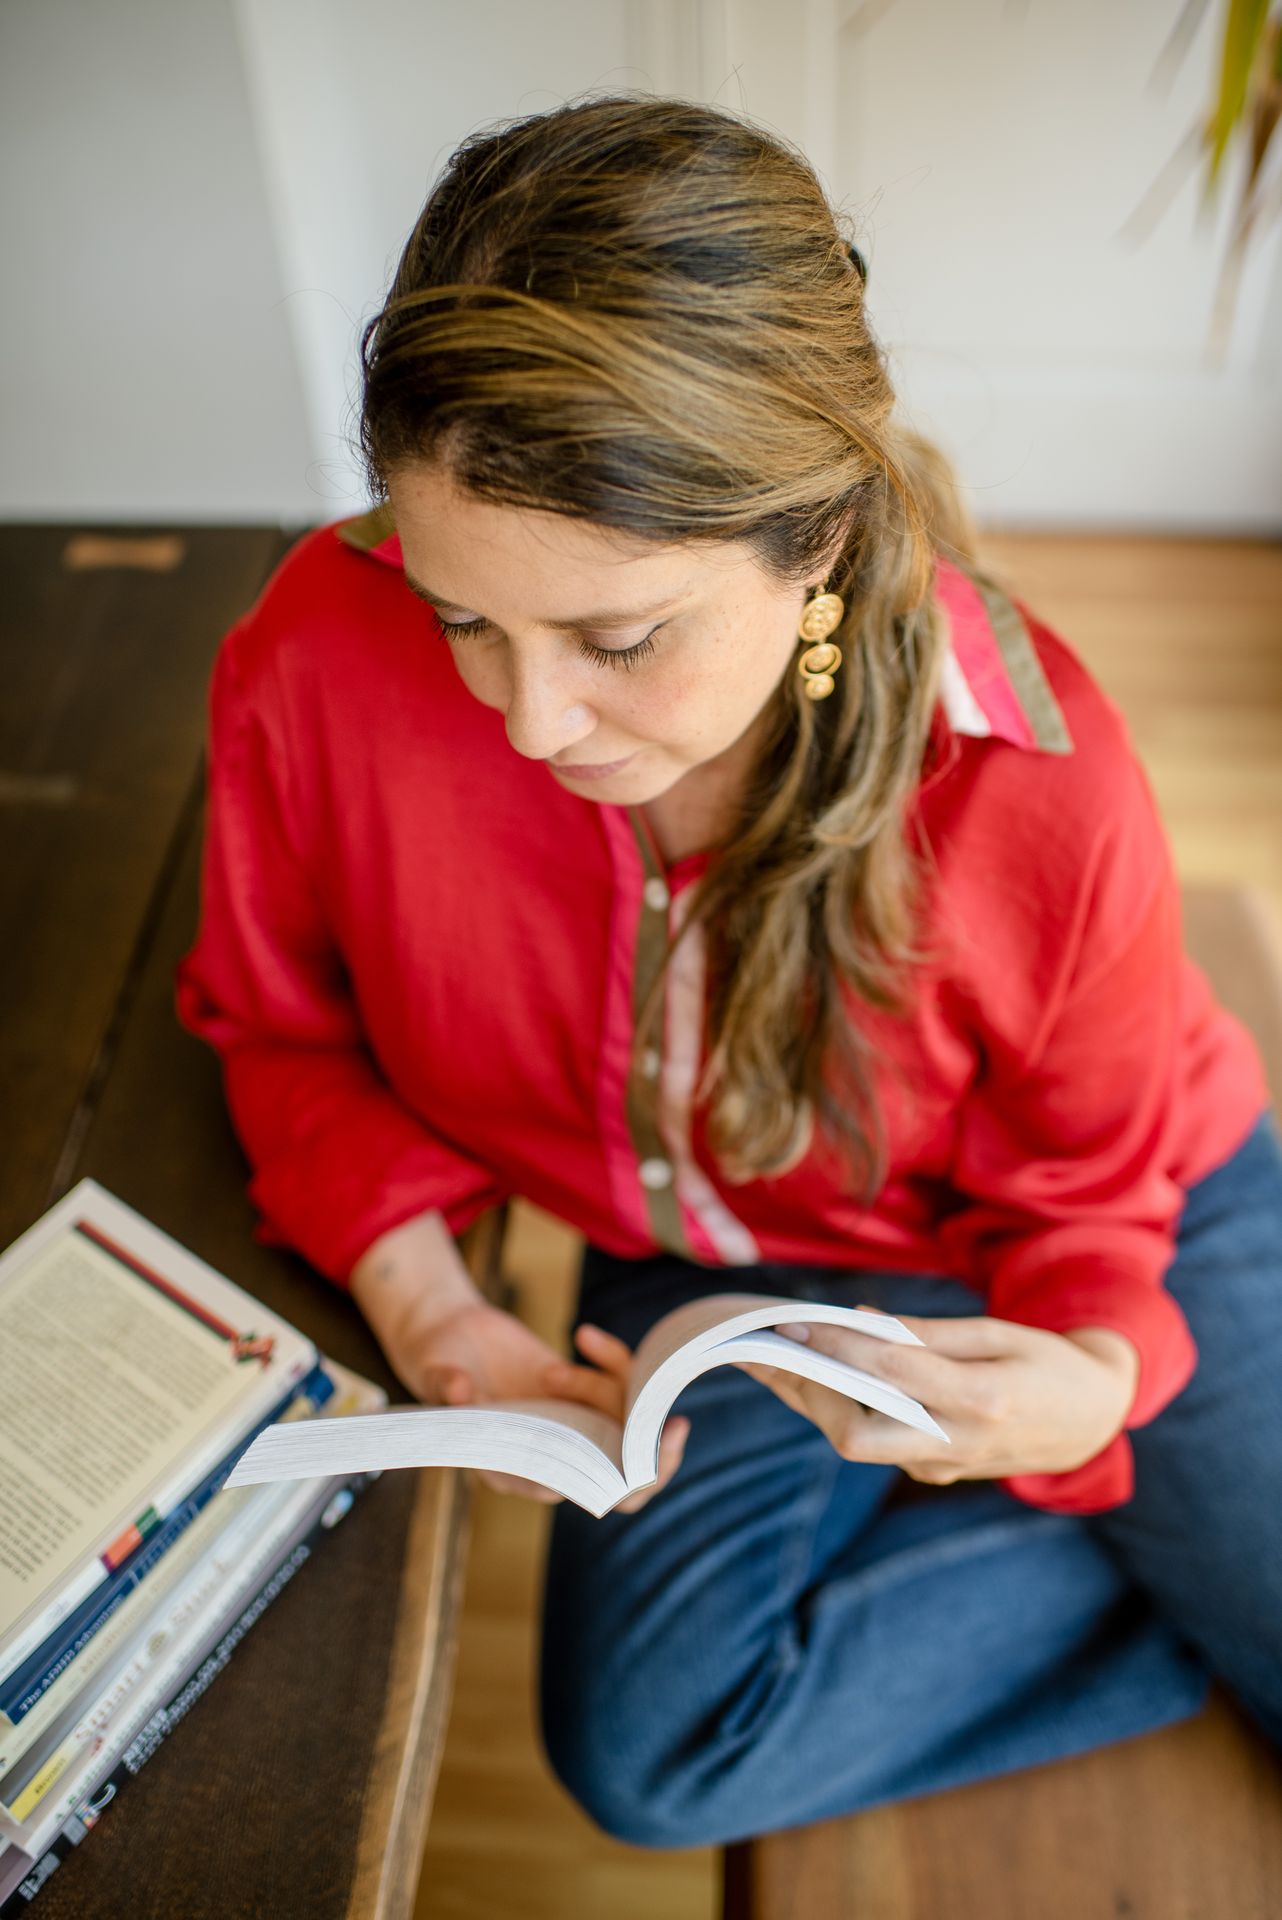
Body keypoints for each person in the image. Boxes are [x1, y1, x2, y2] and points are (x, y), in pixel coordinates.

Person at [174, 93, 1282, 1848]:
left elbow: (1087, 1192)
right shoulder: (312, 652)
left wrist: (1092, 1381)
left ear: (814, 547)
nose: (529, 719)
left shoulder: (1041, 785)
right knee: (656, 1752)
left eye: (616, 638)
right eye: (464, 617)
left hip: (1100, 1207)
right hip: (720, 1276)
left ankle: (1182, 1523)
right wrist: (433, 1314)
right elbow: (279, 1031)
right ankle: (1187, 1551)